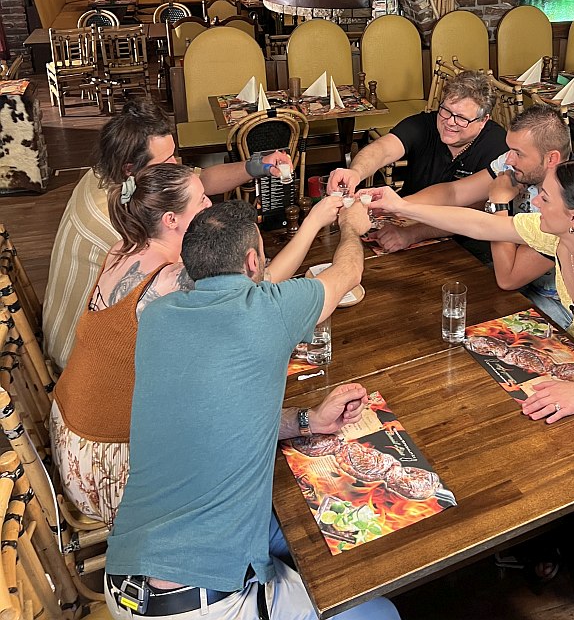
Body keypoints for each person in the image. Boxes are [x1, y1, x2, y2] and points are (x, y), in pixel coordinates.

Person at [105, 198, 399, 620]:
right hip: (200, 603)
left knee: (300, 530)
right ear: (251, 261)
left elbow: (217, 415)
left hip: (124, 575)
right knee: (379, 613)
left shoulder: (157, 317)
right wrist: (351, 228)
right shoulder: (269, 308)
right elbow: (348, 272)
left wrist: (308, 420)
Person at [51, 164, 345, 527]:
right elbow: (261, 281)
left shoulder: (124, 248)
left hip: (71, 424)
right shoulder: (171, 280)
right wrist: (314, 222)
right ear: (171, 219)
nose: (210, 204)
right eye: (201, 199)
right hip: (108, 464)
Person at [369, 158, 574, 424]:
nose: (535, 202)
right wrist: (402, 207)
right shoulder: (563, 239)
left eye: (545, 198)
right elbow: (482, 225)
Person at [43, 99, 291, 371]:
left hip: (85, 338)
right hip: (81, 359)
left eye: (174, 154)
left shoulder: (111, 181)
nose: (176, 164)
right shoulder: (123, 222)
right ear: (130, 169)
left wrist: (258, 166)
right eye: (167, 160)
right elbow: (227, 289)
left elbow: (201, 181)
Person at [404, 105, 574, 328]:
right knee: (433, 300)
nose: (509, 160)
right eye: (510, 149)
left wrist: (499, 202)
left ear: (552, 158)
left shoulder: (570, 203)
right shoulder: (519, 165)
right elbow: (454, 192)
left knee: (462, 324)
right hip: (513, 277)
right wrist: (396, 206)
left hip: (558, 303)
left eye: (519, 154)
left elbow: (508, 279)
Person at [328, 71, 508, 254]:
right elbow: (382, 149)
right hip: (404, 218)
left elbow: (474, 211)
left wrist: (412, 232)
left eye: (461, 118)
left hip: (466, 242)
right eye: (446, 111)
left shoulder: (498, 145)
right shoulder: (424, 124)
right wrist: (356, 172)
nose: (449, 122)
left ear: (483, 120)